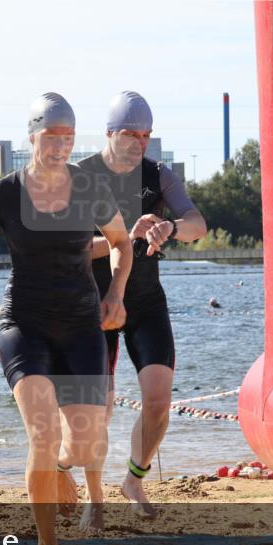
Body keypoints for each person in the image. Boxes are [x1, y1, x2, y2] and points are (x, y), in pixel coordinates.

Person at [0, 92, 132, 545]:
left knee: (87, 441)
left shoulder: (89, 187)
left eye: (68, 137)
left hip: (80, 324)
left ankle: (58, 468)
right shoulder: (4, 193)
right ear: (32, 136)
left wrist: (115, 293)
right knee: (42, 432)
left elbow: (119, 242)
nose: (60, 145)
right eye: (51, 136)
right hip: (24, 323)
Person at [75, 91, 208, 519]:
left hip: (146, 302)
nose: (140, 143)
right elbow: (69, 250)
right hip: (96, 306)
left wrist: (170, 225)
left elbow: (197, 225)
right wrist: (123, 237)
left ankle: (133, 478)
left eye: (147, 135)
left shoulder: (159, 175)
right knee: (100, 409)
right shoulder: (82, 176)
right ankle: (94, 496)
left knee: (158, 401)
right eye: (132, 135)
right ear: (110, 133)